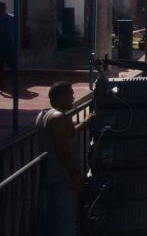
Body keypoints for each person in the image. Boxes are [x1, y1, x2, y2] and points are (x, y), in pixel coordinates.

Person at [36, 82, 96, 236]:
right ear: (61, 97)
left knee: (53, 219)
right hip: (62, 177)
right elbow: (62, 149)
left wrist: (84, 123)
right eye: (71, 94)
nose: (73, 97)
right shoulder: (59, 118)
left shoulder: (44, 115)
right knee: (65, 221)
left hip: (50, 176)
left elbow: (66, 136)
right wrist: (75, 173)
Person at [0, 2, 15, 92]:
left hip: (6, 45)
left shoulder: (10, 18)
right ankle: (4, 83)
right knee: (11, 65)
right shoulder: (11, 17)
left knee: (7, 65)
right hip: (9, 44)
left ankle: (2, 83)